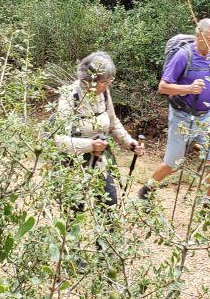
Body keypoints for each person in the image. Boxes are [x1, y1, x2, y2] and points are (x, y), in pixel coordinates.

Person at [136, 18, 210, 225]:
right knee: (173, 163)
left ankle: (208, 207)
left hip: (205, 116)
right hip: (182, 116)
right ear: (198, 35)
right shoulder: (183, 55)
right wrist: (188, 89)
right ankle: (147, 189)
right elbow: (163, 86)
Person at [53, 52, 145, 208]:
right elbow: (60, 140)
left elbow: (113, 123)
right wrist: (91, 145)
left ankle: (110, 232)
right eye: (104, 81)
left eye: (110, 81)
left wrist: (129, 143)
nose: (107, 85)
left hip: (99, 160)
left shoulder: (104, 93)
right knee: (75, 208)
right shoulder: (70, 96)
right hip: (73, 162)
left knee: (109, 203)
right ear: (89, 80)